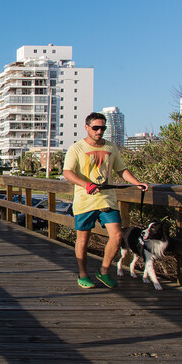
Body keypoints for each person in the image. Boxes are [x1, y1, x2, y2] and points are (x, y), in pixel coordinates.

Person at [63, 112, 149, 289]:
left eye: (103, 128)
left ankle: (103, 271)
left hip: (107, 199)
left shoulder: (111, 147)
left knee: (117, 236)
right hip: (85, 201)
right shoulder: (77, 148)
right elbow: (67, 173)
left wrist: (136, 182)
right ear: (87, 127)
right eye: (95, 128)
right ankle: (83, 274)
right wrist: (86, 185)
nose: (99, 131)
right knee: (82, 240)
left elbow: (121, 170)